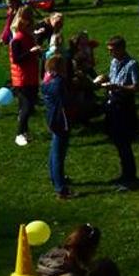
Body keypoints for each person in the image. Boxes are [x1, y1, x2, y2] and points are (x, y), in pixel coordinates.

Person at [99, 36, 139, 191]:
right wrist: (105, 78)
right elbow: (112, 77)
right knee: (118, 143)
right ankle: (125, 174)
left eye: (112, 50)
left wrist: (118, 87)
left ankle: (130, 178)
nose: (110, 53)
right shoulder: (114, 63)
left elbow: (137, 87)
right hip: (113, 106)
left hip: (124, 106)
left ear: (121, 48)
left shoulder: (132, 64)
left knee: (124, 145)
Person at [44, 53, 75, 199]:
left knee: (54, 151)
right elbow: (66, 100)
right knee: (58, 153)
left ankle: (55, 177)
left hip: (52, 118)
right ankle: (60, 187)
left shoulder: (46, 80)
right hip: (61, 120)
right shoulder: (59, 82)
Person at [10, 6, 42, 147]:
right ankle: (19, 134)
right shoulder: (18, 39)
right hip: (22, 79)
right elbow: (17, 59)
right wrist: (31, 52)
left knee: (28, 106)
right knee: (26, 107)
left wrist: (36, 52)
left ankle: (24, 131)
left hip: (30, 76)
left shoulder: (28, 37)